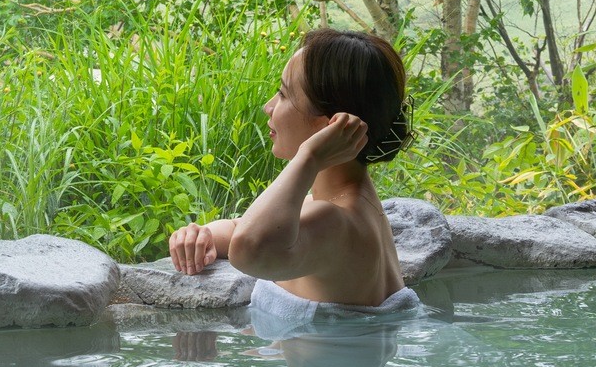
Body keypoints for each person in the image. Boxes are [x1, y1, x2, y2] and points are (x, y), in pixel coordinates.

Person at [167, 27, 415, 315]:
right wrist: (203, 234)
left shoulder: (336, 222)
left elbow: (248, 249)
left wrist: (309, 157)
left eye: (284, 95)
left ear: (329, 128)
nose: (268, 107)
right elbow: (242, 228)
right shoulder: (349, 206)